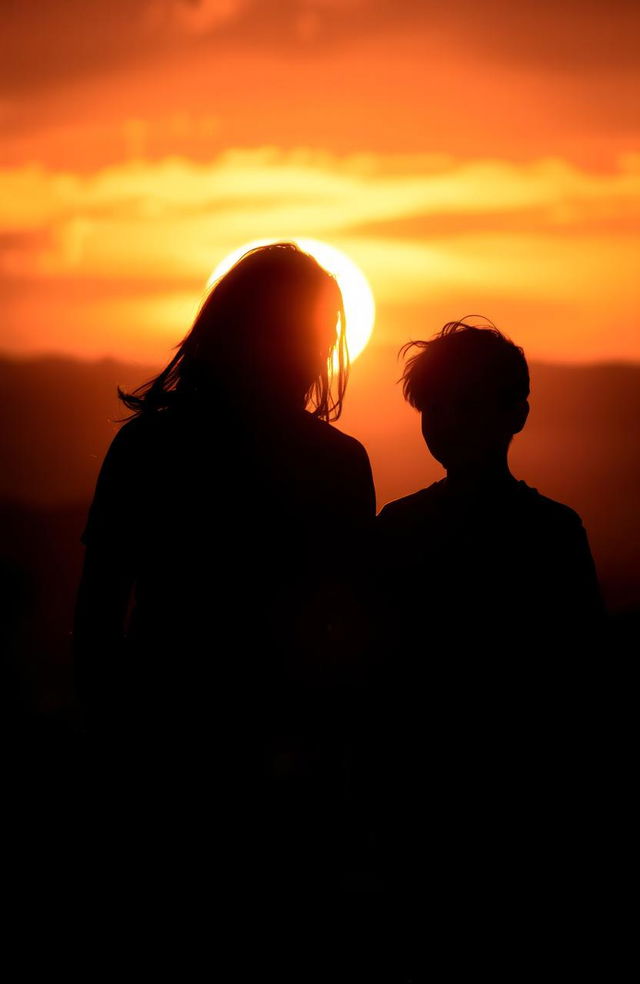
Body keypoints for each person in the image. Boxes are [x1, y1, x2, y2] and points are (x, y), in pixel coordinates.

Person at [73, 242, 376, 894]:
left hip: (212, 756)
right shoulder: (333, 463)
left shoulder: (147, 446)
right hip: (197, 757)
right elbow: (98, 615)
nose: (318, 353)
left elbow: (96, 617)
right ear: (248, 332)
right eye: (308, 334)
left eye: (326, 337)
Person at [372, 319, 605, 929]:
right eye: (436, 406)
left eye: (467, 404)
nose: (448, 421)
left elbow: (581, 678)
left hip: (515, 801)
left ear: (515, 414)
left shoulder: (550, 534)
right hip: (426, 800)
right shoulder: (401, 530)